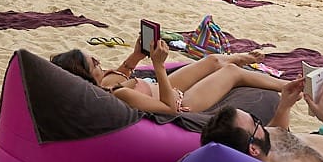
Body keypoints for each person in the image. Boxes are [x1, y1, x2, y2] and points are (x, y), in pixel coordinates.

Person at [51, 39, 286, 115]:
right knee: (230, 73)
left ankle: (238, 57)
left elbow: (123, 71)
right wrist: (158, 64)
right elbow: (169, 109)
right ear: (86, 75)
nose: (100, 62)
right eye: (95, 64)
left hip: (158, 86)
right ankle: (286, 86)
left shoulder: (103, 85)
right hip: (180, 100)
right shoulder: (119, 95)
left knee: (212, 61)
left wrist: (136, 55)